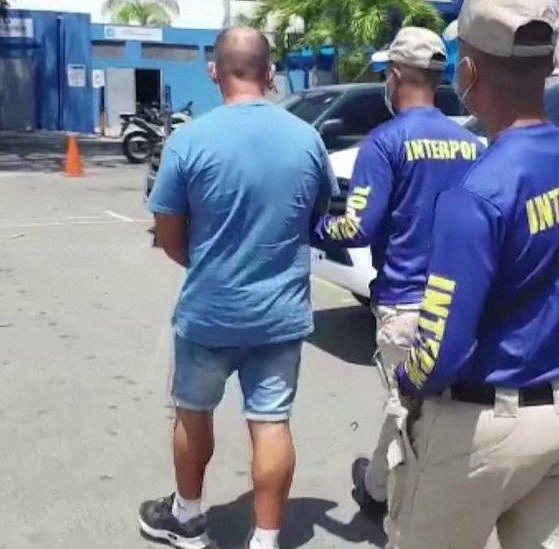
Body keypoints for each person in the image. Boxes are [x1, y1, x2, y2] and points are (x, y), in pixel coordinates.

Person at [387, 0, 559, 547]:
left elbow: (443, 348)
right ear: (549, 66)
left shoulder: (475, 192)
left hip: (489, 430)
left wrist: (407, 384)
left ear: (469, 72)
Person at [138, 27, 336, 549]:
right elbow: (315, 220)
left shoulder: (187, 141)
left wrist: (207, 262)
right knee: (271, 423)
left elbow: (169, 235)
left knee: (191, 410)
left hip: (209, 311)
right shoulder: (307, 138)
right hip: (279, 314)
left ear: (214, 71)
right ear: (270, 74)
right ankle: (265, 540)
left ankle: (188, 518)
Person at [309, 27, 484, 519]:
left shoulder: (386, 143)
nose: (385, 82)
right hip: (463, 305)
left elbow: (357, 227)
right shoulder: (472, 144)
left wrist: (310, 226)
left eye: (387, 74)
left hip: (406, 305)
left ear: (398, 76)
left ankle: (405, 514)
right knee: (443, 413)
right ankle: (376, 487)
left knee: (408, 414)